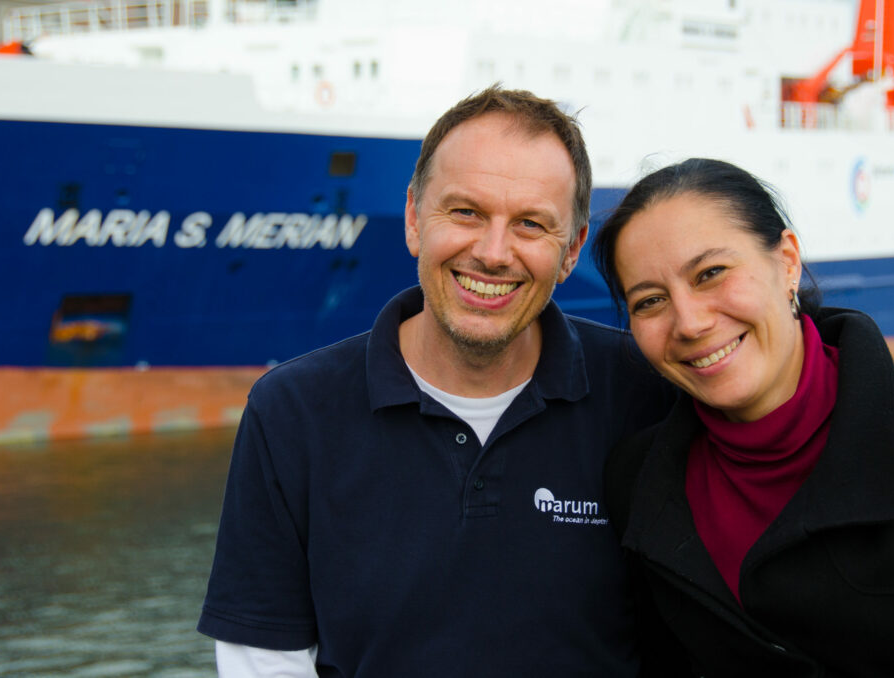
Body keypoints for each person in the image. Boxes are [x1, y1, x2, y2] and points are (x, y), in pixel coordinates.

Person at [197, 86, 674, 677]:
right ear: (415, 219)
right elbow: (265, 660)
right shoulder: (293, 411)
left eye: (530, 224)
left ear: (572, 249)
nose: (493, 253)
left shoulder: (645, 392)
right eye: (466, 212)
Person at [591, 157, 894, 676]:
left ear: (787, 263)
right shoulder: (636, 478)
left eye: (711, 273)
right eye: (650, 301)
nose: (688, 323)